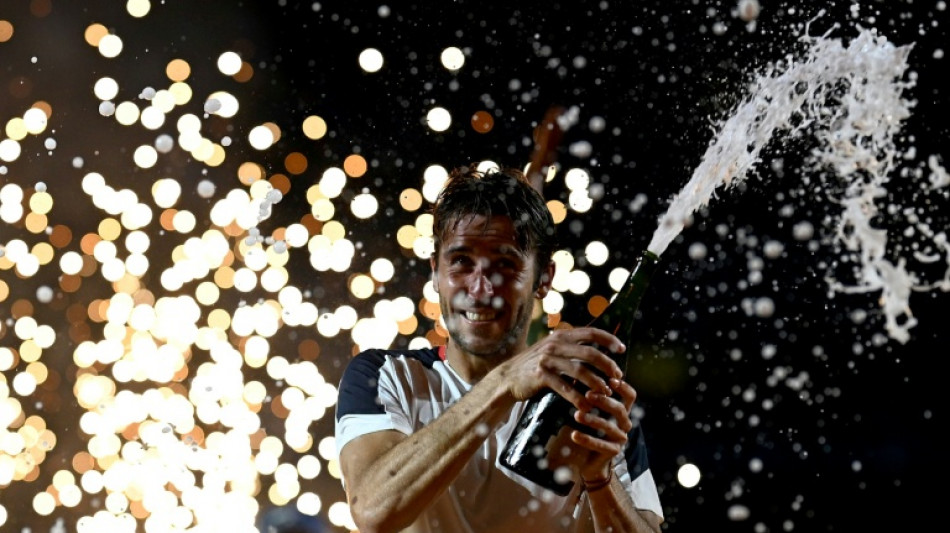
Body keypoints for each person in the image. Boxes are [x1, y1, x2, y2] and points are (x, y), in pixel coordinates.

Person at [334, 164, 664, 533]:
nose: (480, 288)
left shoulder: (589, 399)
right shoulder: (387, 376)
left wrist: (600, 478)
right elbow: (374, 511)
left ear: (543, 279)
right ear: (435, 273)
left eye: (505, 264)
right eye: (460, 261)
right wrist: (504, 381)